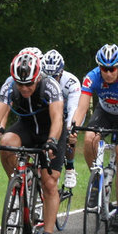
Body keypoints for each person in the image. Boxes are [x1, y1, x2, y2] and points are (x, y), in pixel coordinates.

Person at [0, 50, 64, 234]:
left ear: (37, 77)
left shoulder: (50, 85)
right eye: (20, 84)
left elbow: (57, 119)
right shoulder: (10, 84)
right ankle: (18, 185)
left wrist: (51, 142)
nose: (25, 89)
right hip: (26, 127)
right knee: (6, 142)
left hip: (51, 132)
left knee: (49, 183)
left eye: (29, 84)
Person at [69, 43, 118, 231]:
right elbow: (82, 108)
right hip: (105, 112)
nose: (108, 73)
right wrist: (73, 128)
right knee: (90, 138)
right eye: (104, 68)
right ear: (99, 67)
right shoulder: (91, 78)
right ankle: (96, 182)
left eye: (112, 69)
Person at [41, 49, 81, 188]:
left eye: (55, 76)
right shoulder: (39, 80)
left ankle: (70, 168)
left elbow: (73, 109)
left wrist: (71, 129)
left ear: (61, 72)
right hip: (47, 114)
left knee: (70, 135)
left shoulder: (71, 82)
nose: (51, 80)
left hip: (64, 115)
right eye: (48, 76)